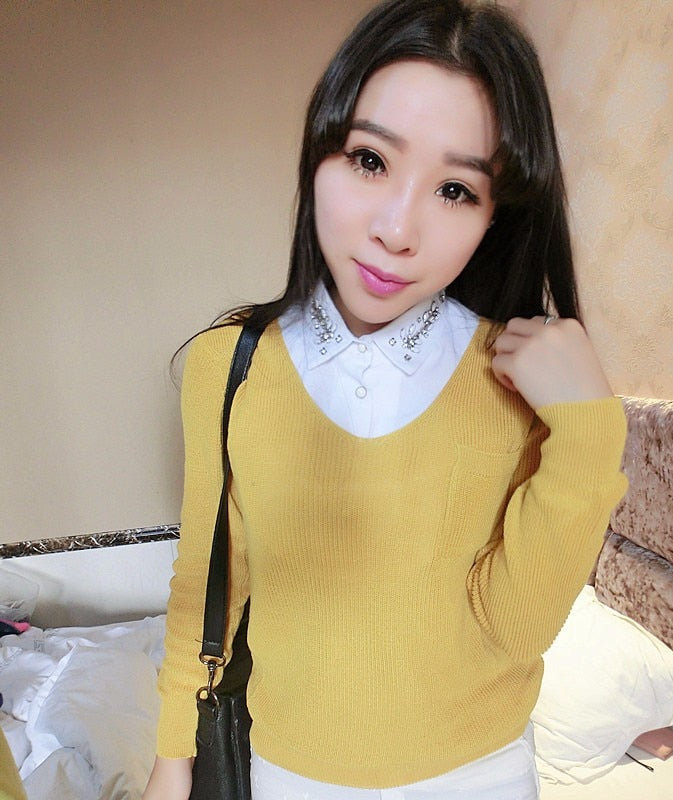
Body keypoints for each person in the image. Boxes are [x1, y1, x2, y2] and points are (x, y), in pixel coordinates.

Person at [143, 1, 627, 798]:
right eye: (369, 160)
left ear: (493, 216)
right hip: (290, 771)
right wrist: (172, 754)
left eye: (454, 190)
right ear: (318, 155)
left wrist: (586, 429)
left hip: (479, 775)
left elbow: (517, 629)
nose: (397, 230)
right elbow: (209, 576)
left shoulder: (517, 377)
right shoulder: (226, 365)